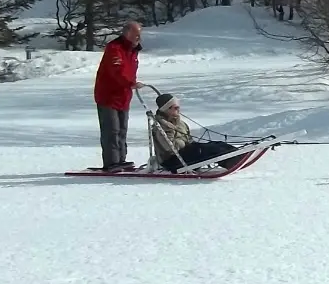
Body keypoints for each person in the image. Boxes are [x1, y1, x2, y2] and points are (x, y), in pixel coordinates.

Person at [94, 21, 145, 171]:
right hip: (108, 96)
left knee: (122, 129)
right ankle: (111, 162)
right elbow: (117, 71)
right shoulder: (114, 48)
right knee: (112, 130)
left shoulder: (133, 51)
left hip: (123, 96)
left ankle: (121, 159)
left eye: (139, 35)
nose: (138, 38)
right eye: (136, 34)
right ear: (127, 33)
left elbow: (130, 71)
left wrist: (131, 84)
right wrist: (130, 83)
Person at [150, 94, 246, 172]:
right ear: (167, 109)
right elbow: (169, 148)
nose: (179, 109)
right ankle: (232, 162)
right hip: (172, 161)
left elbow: (189, 139)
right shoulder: (161, 126)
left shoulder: (180, 123)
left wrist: (191, 144)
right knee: (206, 149)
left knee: (217, 144)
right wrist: (188, 145)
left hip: (184, 154)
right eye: (175, 107)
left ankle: (239, 156)